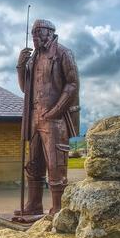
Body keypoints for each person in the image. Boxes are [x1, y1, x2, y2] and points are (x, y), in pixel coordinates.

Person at [14, 19, 80, 218]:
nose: (35, 37)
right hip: (34, 118)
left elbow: (72, 84)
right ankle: (34, 205)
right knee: (33, 164)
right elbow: (27, 89)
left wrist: (56, 111)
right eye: (33, 33)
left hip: (54, 119)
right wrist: (20, 66)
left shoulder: (63, 53)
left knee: (56, 164)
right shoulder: (33, 59)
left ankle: (58, 208)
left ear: (50, 33)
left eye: (38, 32)